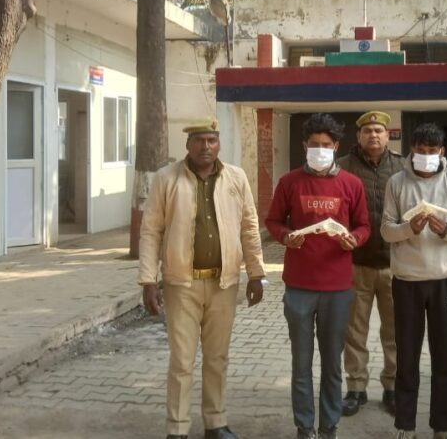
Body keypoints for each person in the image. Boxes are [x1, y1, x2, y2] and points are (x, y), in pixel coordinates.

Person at [138, 119, 266, 439]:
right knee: (182, 361)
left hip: (224, 284)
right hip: (182, 284)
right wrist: (148, 280)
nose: (205, 147)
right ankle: (177, 428)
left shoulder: (236, 177)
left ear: (219, 143)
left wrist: (256, 273)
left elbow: (249, 227)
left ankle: (216, 423)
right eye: (198, 140)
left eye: (211, 140)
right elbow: (151, 231)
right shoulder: (166, 179)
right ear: (188, 145)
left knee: (217, 358)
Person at [265, 113, 371, 439]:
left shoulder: (351, 184)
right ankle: (304, 426)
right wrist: (286, 236)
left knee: (331, 364)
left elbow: (364, 225)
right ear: (304, 146)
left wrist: (355, 239)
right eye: (314, 144)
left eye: (326, 144)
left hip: (337, 287)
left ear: (336, 146)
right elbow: (273, 221)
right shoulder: (289, 182)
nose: (320, 150)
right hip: (299, 286)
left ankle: (329, 425)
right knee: (301, 363)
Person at [380, 123, 447, 439]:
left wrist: (446, 230)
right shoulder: (396, 182)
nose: (425, 156)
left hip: (444, 281)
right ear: (412, 150)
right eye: (420, 151)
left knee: (443, 357)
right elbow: (386, 230)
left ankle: (443, 425)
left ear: (442, 152)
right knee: (407, 356)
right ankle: (405, 425)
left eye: (432, 151)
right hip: (406, 281)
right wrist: (410, 228)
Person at [337, 111, 406, 417]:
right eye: (367, 131)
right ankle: (356, 388)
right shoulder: (342, 167)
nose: (373, 135)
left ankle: (392, 387)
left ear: (388, 134)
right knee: (354, 332)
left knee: (395, 332)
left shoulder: (403, 167)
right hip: (356, 264)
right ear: (359, 136)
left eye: (379, 130)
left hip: (395, 264)